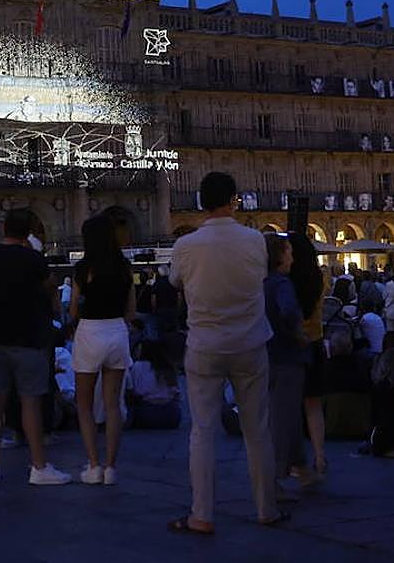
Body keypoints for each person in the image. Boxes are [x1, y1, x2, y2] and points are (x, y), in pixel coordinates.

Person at [167, 172, 282, 535]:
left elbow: (175, 282)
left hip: (205, 344)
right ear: (234, 200)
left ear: (201, 202)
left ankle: (201, 514)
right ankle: (266, 508)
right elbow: (260, 277)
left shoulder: (186, 245)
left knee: (202, 430)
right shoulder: (256, 240)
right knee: (257, 429)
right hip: (250, 342)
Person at [0, 208, 71, 486]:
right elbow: (51, 287)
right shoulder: (34, 259)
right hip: (28, 339)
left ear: (3, 228)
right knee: (30, 401)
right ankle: (39, 467)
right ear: (28, 232)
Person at [70, 215, 135, 484]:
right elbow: (131, 311)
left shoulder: (83, 268)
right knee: (112, 405)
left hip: (90, 331)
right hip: (117, 331)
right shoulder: (124, 267)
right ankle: (111, 467)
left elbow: (73, 309)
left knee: (84, 404)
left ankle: (94, 465)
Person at [263, 233, 311, 497]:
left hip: (267, 355)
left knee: (286, 415)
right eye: (289, 252)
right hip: (287, 356)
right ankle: (273, 479)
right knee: (283, 419)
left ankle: (301, 467)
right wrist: (299, 333)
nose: (292, 258)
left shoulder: (262, 282)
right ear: (280, 256)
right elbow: (289, 310)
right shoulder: (282, 283)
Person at [286, 231, 327, 483]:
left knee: (291, 407)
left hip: (293, 345)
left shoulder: (285, 282)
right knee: (314, 406)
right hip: (316, 342)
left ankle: (296, 461)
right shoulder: (319, 277)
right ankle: (320, 456)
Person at [127, 340, 182, 429]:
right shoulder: (168, 368)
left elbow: (135, 391)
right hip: (172, 415)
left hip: (147, 412)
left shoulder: (138, 366)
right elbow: (176, 392)